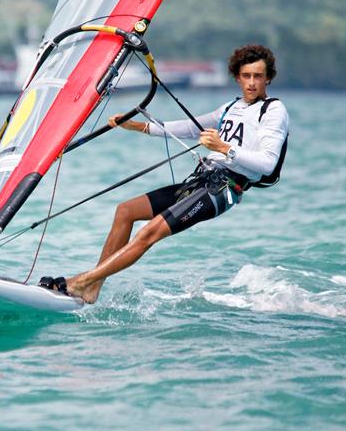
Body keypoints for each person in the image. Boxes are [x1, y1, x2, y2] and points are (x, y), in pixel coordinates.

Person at [39, 44, 290, 303]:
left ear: (268, 77)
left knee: (148, 233)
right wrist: (138, 126)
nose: (251, 83)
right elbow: (187, 127)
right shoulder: (230, 107)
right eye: (246, 76)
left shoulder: (273, 110)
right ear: (237, 77)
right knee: (126, 211)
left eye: (258, 76)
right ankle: (92, 288)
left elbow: (267, 164)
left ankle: (80, 282)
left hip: (223, 189)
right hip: (201, 181)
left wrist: (224, 148)